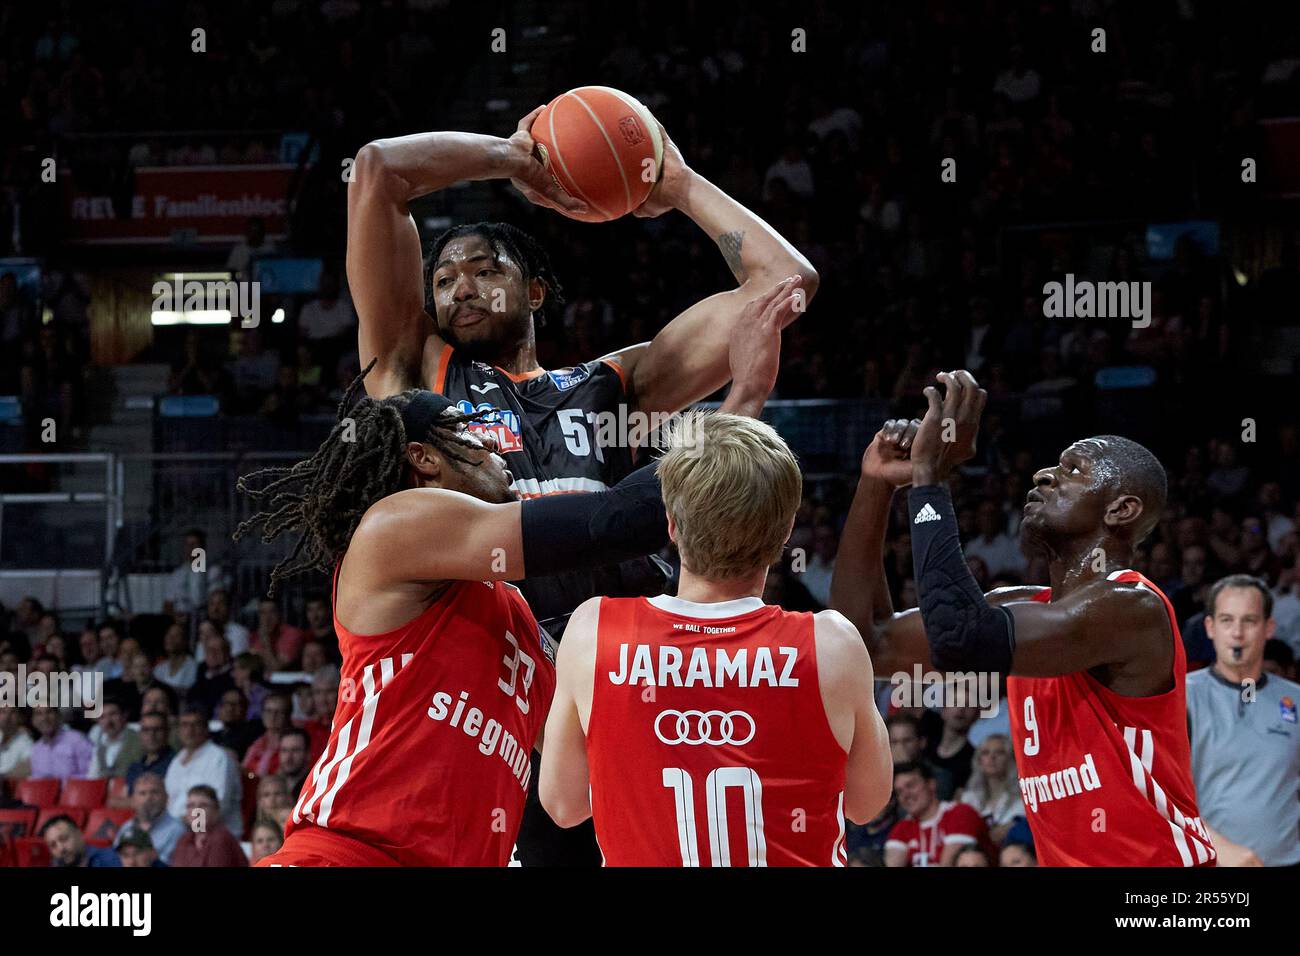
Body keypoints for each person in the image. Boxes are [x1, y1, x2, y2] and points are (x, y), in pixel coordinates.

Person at [349, 107, 818, 865]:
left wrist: (680, 184)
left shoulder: (613, 383)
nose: (459, 287)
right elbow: (379, 170)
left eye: (484, 270)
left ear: (535, 292)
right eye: (443, 277)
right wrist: (515, 161)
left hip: (645, 671)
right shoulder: (416, 377)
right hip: (517, 689)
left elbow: (785, 285)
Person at [242, 283, 790, 867]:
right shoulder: (393, 528)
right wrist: (744, 401)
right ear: (425, 457)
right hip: (347, 854)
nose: (502, 443)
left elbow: (576, 773)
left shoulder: (518, 619)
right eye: (474, 430)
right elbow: (613, 523)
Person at [832, 370, 1216, 866]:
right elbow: (865, 642)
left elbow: (963, 641)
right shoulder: (1023, 605)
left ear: (1121, 509)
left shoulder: (1132, 607)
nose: (1044, 475)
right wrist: (877, 485)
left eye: (1074, 470)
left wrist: (930, 480)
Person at [539, 411, 892, 866]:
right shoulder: (832, 645)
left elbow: (564, 806)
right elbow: (866, 804)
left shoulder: (593, 631)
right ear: (785, 532)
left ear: (670, 522)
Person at [1187, 574, 1300, 866]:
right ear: (1210, 628)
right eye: (1226, 620)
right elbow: (1158, 795)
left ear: (1268, 628)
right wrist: (1217, 846)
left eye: (1249, 621)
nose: (1237, 633)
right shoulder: (1181, 697)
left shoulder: (1295, 700)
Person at [884, 762, 993, 867]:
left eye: (911, 786)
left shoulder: (960, 813)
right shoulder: (902, 828)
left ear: (931, 784)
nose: (906, 795)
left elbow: (949, 865)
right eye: (899, 791)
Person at [163, 704, 244, 837]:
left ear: (206, 728)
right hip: (180, 833)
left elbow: (219, 804)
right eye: (184, 725)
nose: (190, 730)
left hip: (213, 836)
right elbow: (168, 801)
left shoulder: (218, 758)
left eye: (195, 724)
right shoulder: (176, 761)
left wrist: (193, 831)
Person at [958, 734, 1024, 845]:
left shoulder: (1022, 798)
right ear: (979, 761)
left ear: (1010, 759)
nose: (992, 757)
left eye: (999, 752)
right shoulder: (969, 798)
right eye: (985, 753)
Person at [114, 771, 184, 864]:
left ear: (166, 798)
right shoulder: (126, 827)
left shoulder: (178, 831)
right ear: (133, 800)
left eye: (154, 792)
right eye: (142, 793)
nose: (148, 798)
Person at [170, 785, 249, 867]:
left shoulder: (220, 839)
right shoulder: (184, 839)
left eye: (203, 805)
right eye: (191, 806)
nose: (196, 811)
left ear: (216, 811)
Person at [29, 706, 92, 781]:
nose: (44, 718)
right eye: (39, 714)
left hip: (76, 790)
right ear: (33, 721)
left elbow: (90, 775)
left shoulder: (77, 741)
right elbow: (37, 780)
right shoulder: (36, 749)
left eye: (49, 712)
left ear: (58, 716)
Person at [88, 697, 144, 778]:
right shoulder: (99, 747)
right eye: (102, 717)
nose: (108, 721)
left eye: (113, 714)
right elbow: (93, 776)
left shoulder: (141, 738)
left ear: (124, 715)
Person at [123, 711, 176, 793]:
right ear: (140, 734)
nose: (151, 735)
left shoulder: (176, 764)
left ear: (167, 732)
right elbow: (123, 798)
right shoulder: (134, 768)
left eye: (157, 729)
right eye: (146, 730)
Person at [42, 815, 121, 867]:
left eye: (64, 839)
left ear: (79, 834)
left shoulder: (111, 858)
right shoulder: (55, 865)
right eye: (53, 845)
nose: (61, 849)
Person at [153, 621, 198, 692]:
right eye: (168, 634)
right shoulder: (159, 668)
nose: (170, 638)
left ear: (185, 641)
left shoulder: (193, 667)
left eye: (176, 635)